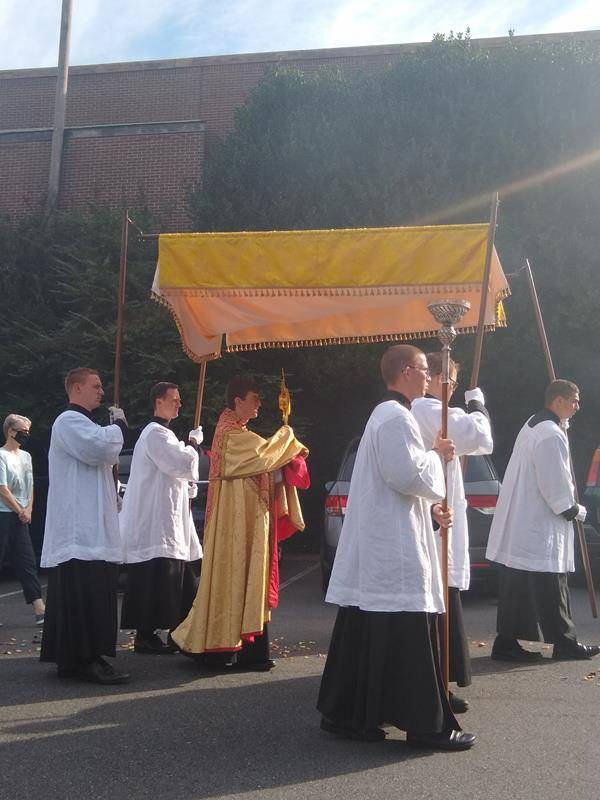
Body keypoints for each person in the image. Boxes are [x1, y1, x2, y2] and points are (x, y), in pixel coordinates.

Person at [317, 344, 475, 752]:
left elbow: (399, 482)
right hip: (393, 549)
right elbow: (406, 475)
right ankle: (424, 726)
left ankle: (352, 715)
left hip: (388, 538)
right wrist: (437, 455)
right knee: (406, 633)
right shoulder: (395, 417)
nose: (430, 378)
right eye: (424, 371)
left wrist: (432, 510)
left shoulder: (387, 416)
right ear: (406, 372)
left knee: (370, 631)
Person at [171, 375, 308, 671]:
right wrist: (287, 435)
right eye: (254, 398)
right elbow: (264, 454)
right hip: (233, 523)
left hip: (245, 518)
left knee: (245, 575)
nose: (259, 403)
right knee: (234, 573)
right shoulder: (230, 434)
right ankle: (220, 650)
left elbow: (266, 459)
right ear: (237, 401)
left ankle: (249, 651)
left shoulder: (238, 432)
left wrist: (284, 455)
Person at [486, 379, 600, 662]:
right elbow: (554, 482)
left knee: (519, 586)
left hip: (525, 523)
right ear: (558, 401)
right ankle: (564, 644)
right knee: (552, 586)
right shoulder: (549, 433)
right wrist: (573, 509)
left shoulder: (535, 424)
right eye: (573, 400)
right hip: (538, 523)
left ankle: (506, 643)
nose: (577, 406)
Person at [412, 353, 493, 713]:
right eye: (452, 380)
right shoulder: (430, 410)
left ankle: (439, 684)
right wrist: (477, 403)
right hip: (432, 522)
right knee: (436, 601)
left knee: (444, 599)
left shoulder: (430, 411)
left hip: (440, 518)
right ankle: (433, 686)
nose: (455, 388)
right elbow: (480, 436)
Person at [40, 367, 131, 685]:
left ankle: (74, 657)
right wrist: (118, 426)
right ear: (76, 389)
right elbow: (100, 449)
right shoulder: (68, 422)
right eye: (96, 385)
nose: (102, 391)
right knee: (86, 593)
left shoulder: (82, 424)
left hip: (89, 527)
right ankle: (87, 658)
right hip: (82, 529)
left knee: (82, 593)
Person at [119, 382, 203, 654]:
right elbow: (180, 463)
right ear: (158, 401)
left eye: (180, 399)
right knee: (154, 579)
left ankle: (176, 632)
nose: (179, 404)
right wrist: (193, 444)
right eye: (174, 399)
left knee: (176, 578)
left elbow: (181, 474)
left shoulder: (163, 434)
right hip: (157, 522)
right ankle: (149, 635)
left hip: (169, 520)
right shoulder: (155, 433)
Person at [0, 414, 45, 625]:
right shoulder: (1, 456)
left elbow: (31, 485)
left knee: (27, 560)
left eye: (28, 430)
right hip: (4, 514)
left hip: (21, 515)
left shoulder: (26, 456)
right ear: (11, 431)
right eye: (23, 431)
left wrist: (29, 508)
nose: (26, 435)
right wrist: (20, 510)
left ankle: (40, 608)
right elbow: (3, 489)